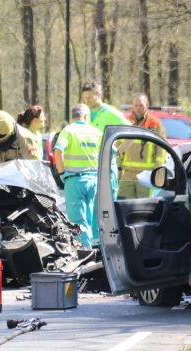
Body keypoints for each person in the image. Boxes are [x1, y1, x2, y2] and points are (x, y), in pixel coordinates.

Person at [53, 104, 102, 249]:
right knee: (89, 217)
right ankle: (92, 247)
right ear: (86, 116)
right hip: (93, 180)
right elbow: (112, 153)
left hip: (75, 181)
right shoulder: (96, 132)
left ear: (72, 116)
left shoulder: (69, 131)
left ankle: (83, 250)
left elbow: (58, 151)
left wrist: (61, 173)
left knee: (77, 221)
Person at [81, 80, 127, 199]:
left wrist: (118, 153)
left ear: (99, 95)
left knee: (107, 203)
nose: (87, 101)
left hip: (107, 169)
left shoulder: (111, 113)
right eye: (85, 98)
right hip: (89, 169)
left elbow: (131, 133)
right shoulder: (85, 114)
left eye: (90, 97)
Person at [118, 93, 167, 199]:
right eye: (136, 105)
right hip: (127, 174)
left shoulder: (155, 124)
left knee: (144, 206)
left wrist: (157, 171)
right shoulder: (126, 122)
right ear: (132, 105)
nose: (138, 108)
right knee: (123, 205)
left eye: (141, 105)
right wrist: (118, 168)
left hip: (146, 175)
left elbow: (161, 150)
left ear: (147, 105)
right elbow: (118, 147)